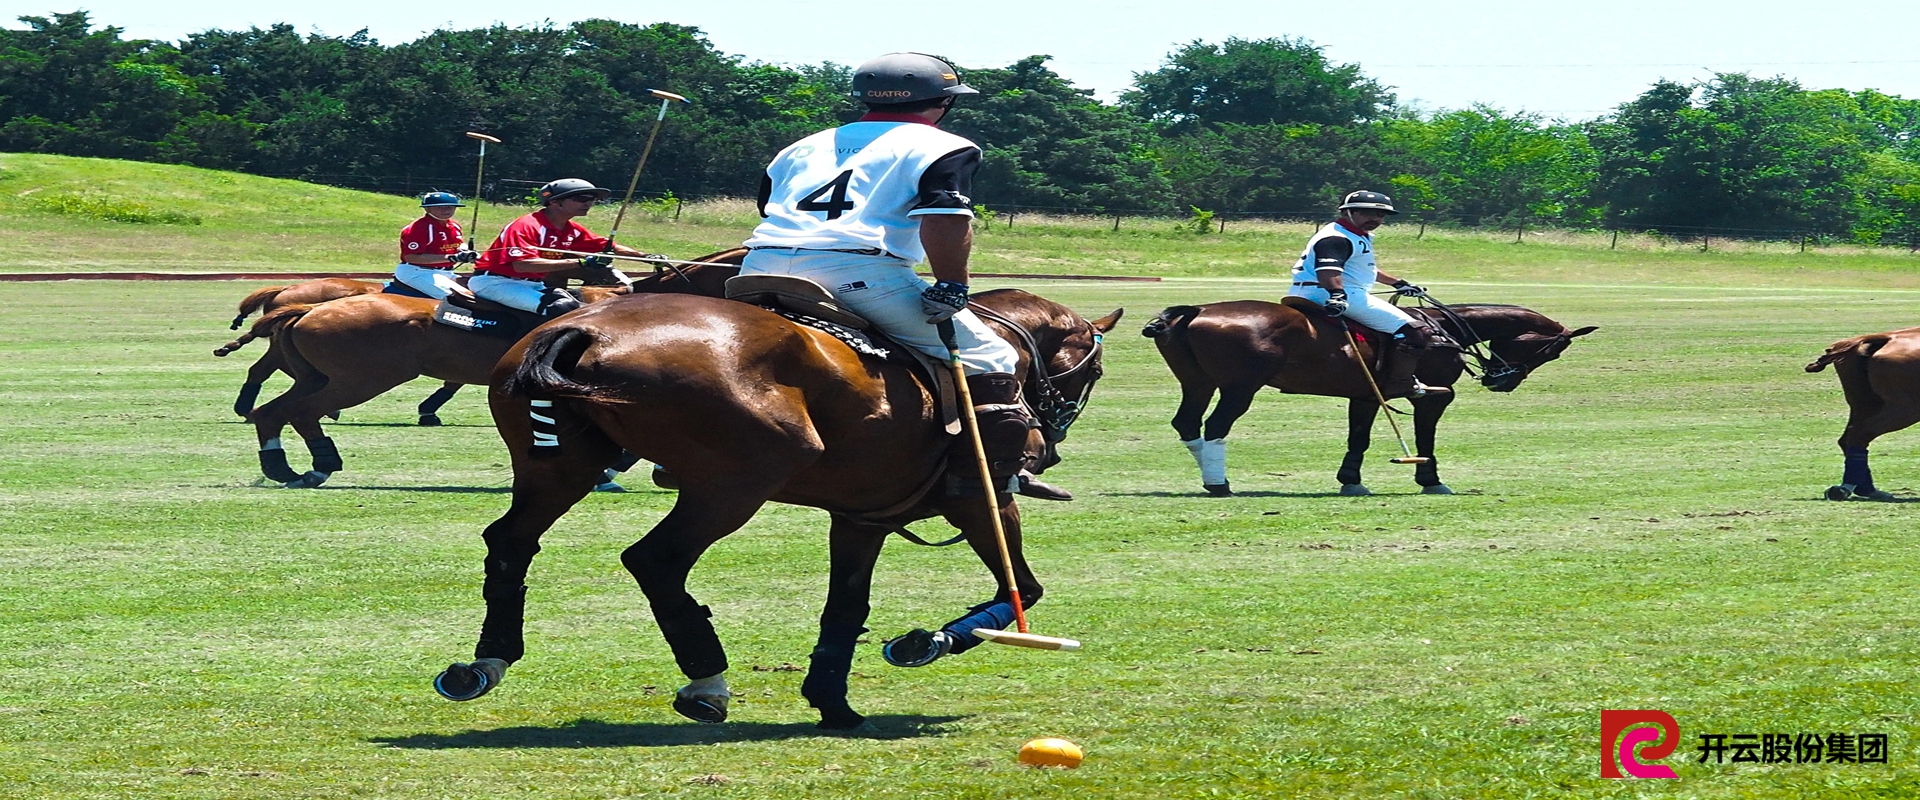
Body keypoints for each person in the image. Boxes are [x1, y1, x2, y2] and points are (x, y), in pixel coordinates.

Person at [739, 51, 1069, 502]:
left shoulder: (801, 145)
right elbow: (946, 219)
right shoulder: (945, 145)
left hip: (758, 266)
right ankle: (982, 479)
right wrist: (952, 286)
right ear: (943, 102)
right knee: (992, 355)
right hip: (859, 273)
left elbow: (769, 208)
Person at [1287, 190, 1449, 399]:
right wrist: (1337, 293)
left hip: (1316, 290)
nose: (1375, 219)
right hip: (1334, 292)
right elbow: (1328, 270)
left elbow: (1365, 269)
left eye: (1380, 216)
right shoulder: (1336, 237)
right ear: (1348, 212)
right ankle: (1400, 384)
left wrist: (1399, 283)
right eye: (1367, 213)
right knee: (1416, 331)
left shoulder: (1354, 235)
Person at [469, 178, 648, 316]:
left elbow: (610, 246)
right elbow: (522, 264)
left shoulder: (570, 229)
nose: (588, 203)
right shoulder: (527, 225)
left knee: (583, 308)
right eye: (581, 198)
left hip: (532, 284)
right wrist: (581, 263)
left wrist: (646, 256)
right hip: (496, 282)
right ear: (554, 201)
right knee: (559, 308)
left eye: (592, 200)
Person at [393, 191, 475, 299]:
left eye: (450, 207)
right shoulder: (418, 228)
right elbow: (411, 257)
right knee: (460, 297)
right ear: (427, 209)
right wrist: (451, 257)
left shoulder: (455, 226)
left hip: (446, 272)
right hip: (417, 272)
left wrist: (466, 253)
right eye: (439, 207)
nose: (446, 210)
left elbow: (457, 245)